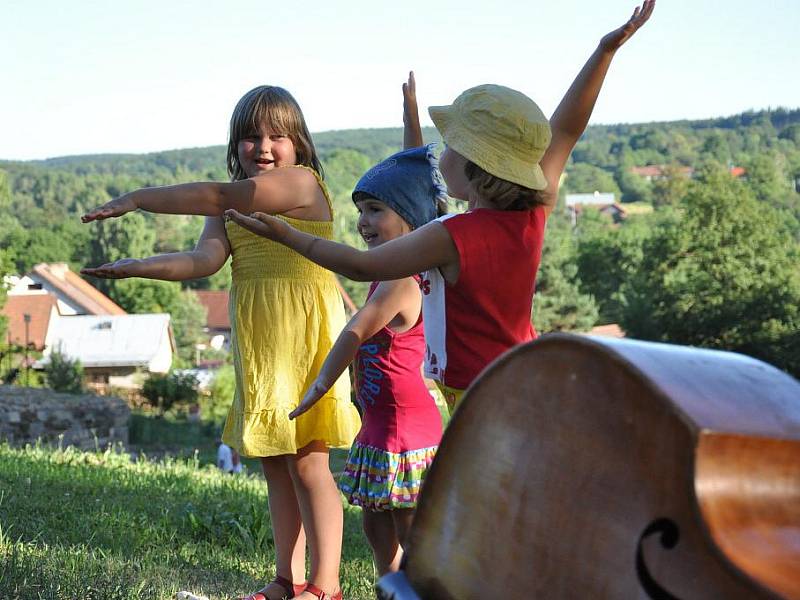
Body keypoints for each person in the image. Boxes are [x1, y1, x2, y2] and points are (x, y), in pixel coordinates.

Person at [224, 1, 655, 410]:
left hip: (476, 392)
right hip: (519, 372)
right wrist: (604, 52)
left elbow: (359, 266)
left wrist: (285, 233)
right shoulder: (532, 213)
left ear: (473, 164)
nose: (440, 153)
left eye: (449, 146)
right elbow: (566, 130)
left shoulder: (452, 236)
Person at [81, 85, 361, 600]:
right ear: (236, 144)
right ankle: (287, 579)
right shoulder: (231, 204)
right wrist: (137, 267)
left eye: (278, 135)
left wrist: (140, 200)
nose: (264, 147)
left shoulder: (301, 184)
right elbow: (202, 261)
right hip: (262, 339)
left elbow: (215, 195)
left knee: (309, 461)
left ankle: (326, 587)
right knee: (275, 460)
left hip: (302, 336)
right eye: (251, 137)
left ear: (299, 144)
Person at [289, 136, 446, 576]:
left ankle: (421, 584)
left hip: (406, 429)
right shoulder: (386, 274)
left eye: (376, 210)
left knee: (408, 523)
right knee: (375, 519)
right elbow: (416, 174)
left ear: (411, 219)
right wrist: (409, 121)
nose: (363, 221)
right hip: (378, 424)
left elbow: (355, 331)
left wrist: (321, 385)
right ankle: (389, 580)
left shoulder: (402, 282)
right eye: (360, 211)